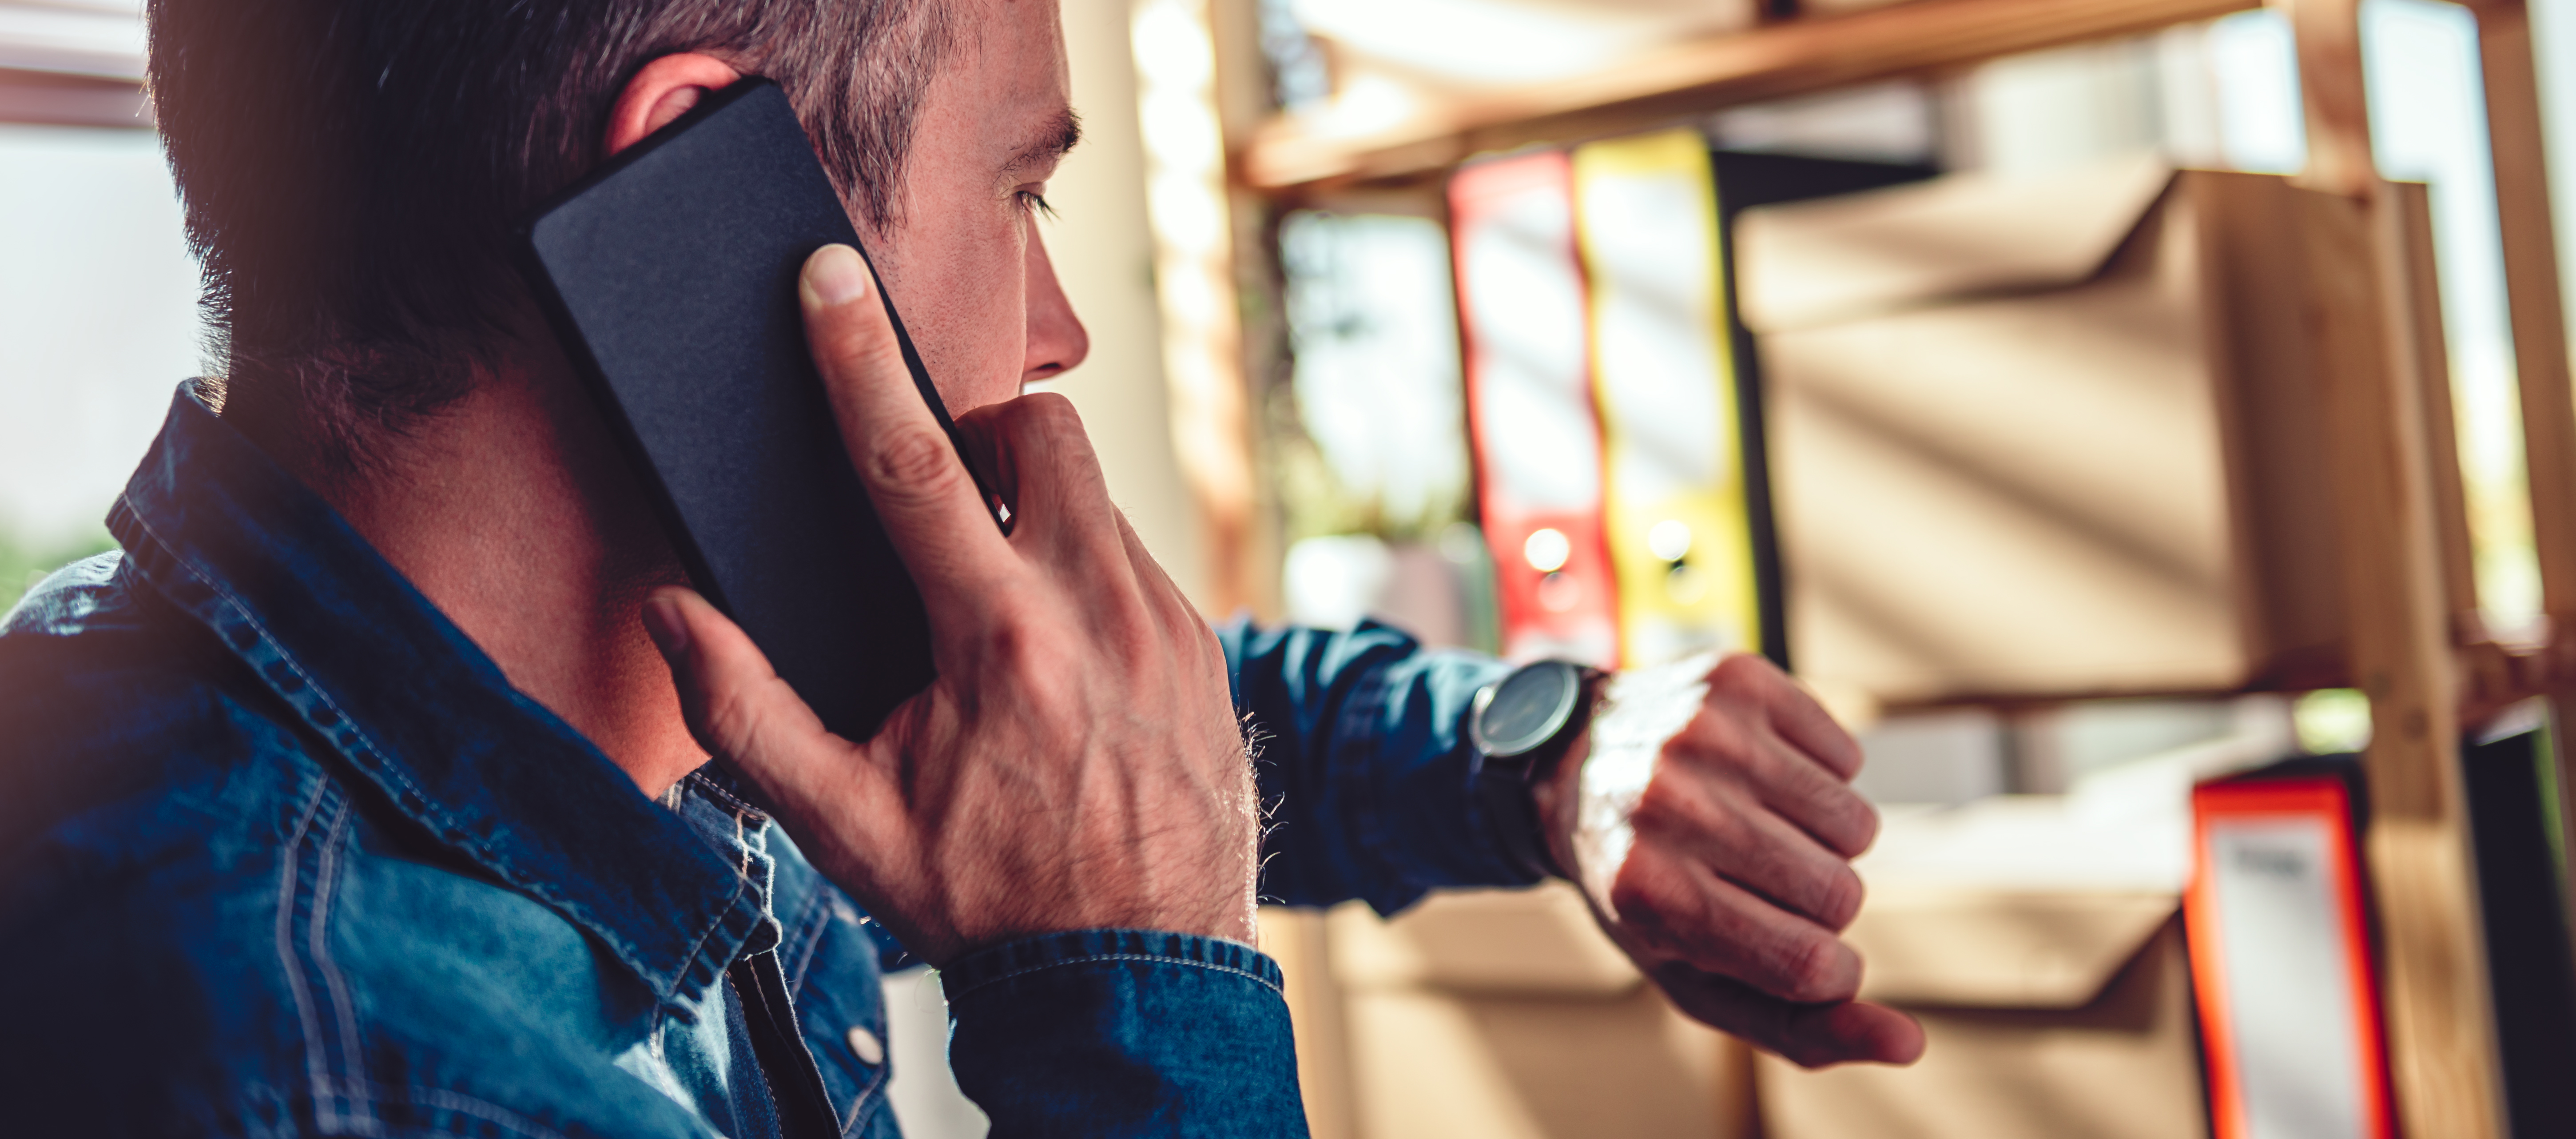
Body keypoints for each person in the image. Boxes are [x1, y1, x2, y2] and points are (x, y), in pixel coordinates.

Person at [0, 0, 1922, 1133]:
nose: (1066, 323)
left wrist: (1539, 752)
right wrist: (1139, 998)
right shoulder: (360, 1062)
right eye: (1025, 191)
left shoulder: (568, 710)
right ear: (709, 215)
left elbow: (1065, 744)